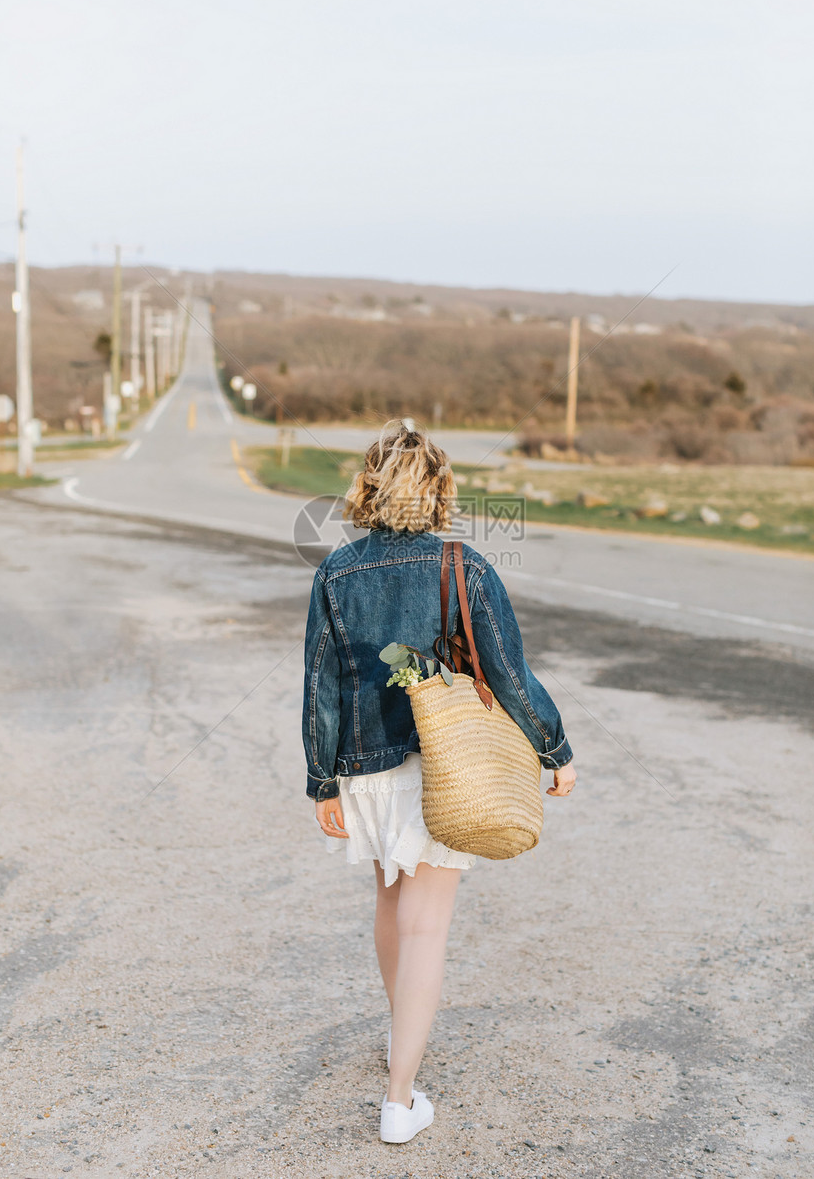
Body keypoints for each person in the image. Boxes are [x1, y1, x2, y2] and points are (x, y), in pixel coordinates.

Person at [302, 418, 576, 1144]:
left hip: (366, 770)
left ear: (368, 484)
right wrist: (555, 748)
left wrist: (322, 781)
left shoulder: (337, 571)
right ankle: (400, 1098)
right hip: (440, 768)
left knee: (393, 908)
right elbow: (510, 675)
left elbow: (320, 687)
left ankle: (402, 1044)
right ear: (439, 489)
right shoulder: (467, 566)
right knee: (426, 924)